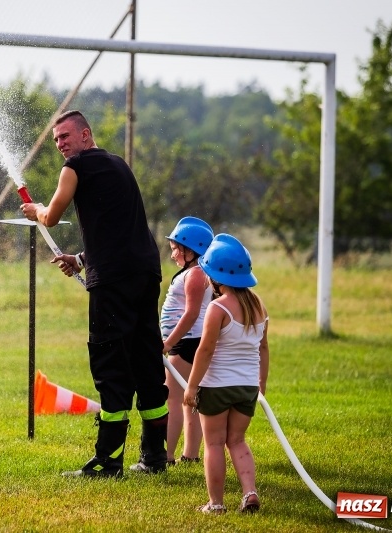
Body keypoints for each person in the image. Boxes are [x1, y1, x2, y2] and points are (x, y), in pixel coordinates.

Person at [20, 110, 168, 477]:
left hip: (114, 282)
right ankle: (154, 458)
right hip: (145, 273)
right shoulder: (119, 165)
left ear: (86, 135)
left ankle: (108, 462)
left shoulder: (75, 168)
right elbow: (120, 230)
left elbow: (51, 216)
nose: (61, 144)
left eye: (66, 136)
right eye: (56, 140)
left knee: (110, 364)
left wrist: (34, 209)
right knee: (147, 363)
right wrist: (83, 259)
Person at [183, 234, 269, 514]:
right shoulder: (259, 306)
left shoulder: (217, 308)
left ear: (216, 276)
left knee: (215, 444)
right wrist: (261, 385)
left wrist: (192, 387)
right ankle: (250, 492)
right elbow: (263, 348)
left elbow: (205, 351)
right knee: (238, 441)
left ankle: (216, 504)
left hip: (217, 387)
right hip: (246, 387)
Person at [160, 216, 214, 465]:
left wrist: (168, 343)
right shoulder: (199, 273)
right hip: (194, 341)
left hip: (186, 342)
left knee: (172, 398)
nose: (173, 256)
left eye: (175, 250)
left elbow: (191, 314)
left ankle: (166, 456)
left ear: (190, 250)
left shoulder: (194, 275)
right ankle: (190, 454)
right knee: (189, 400)